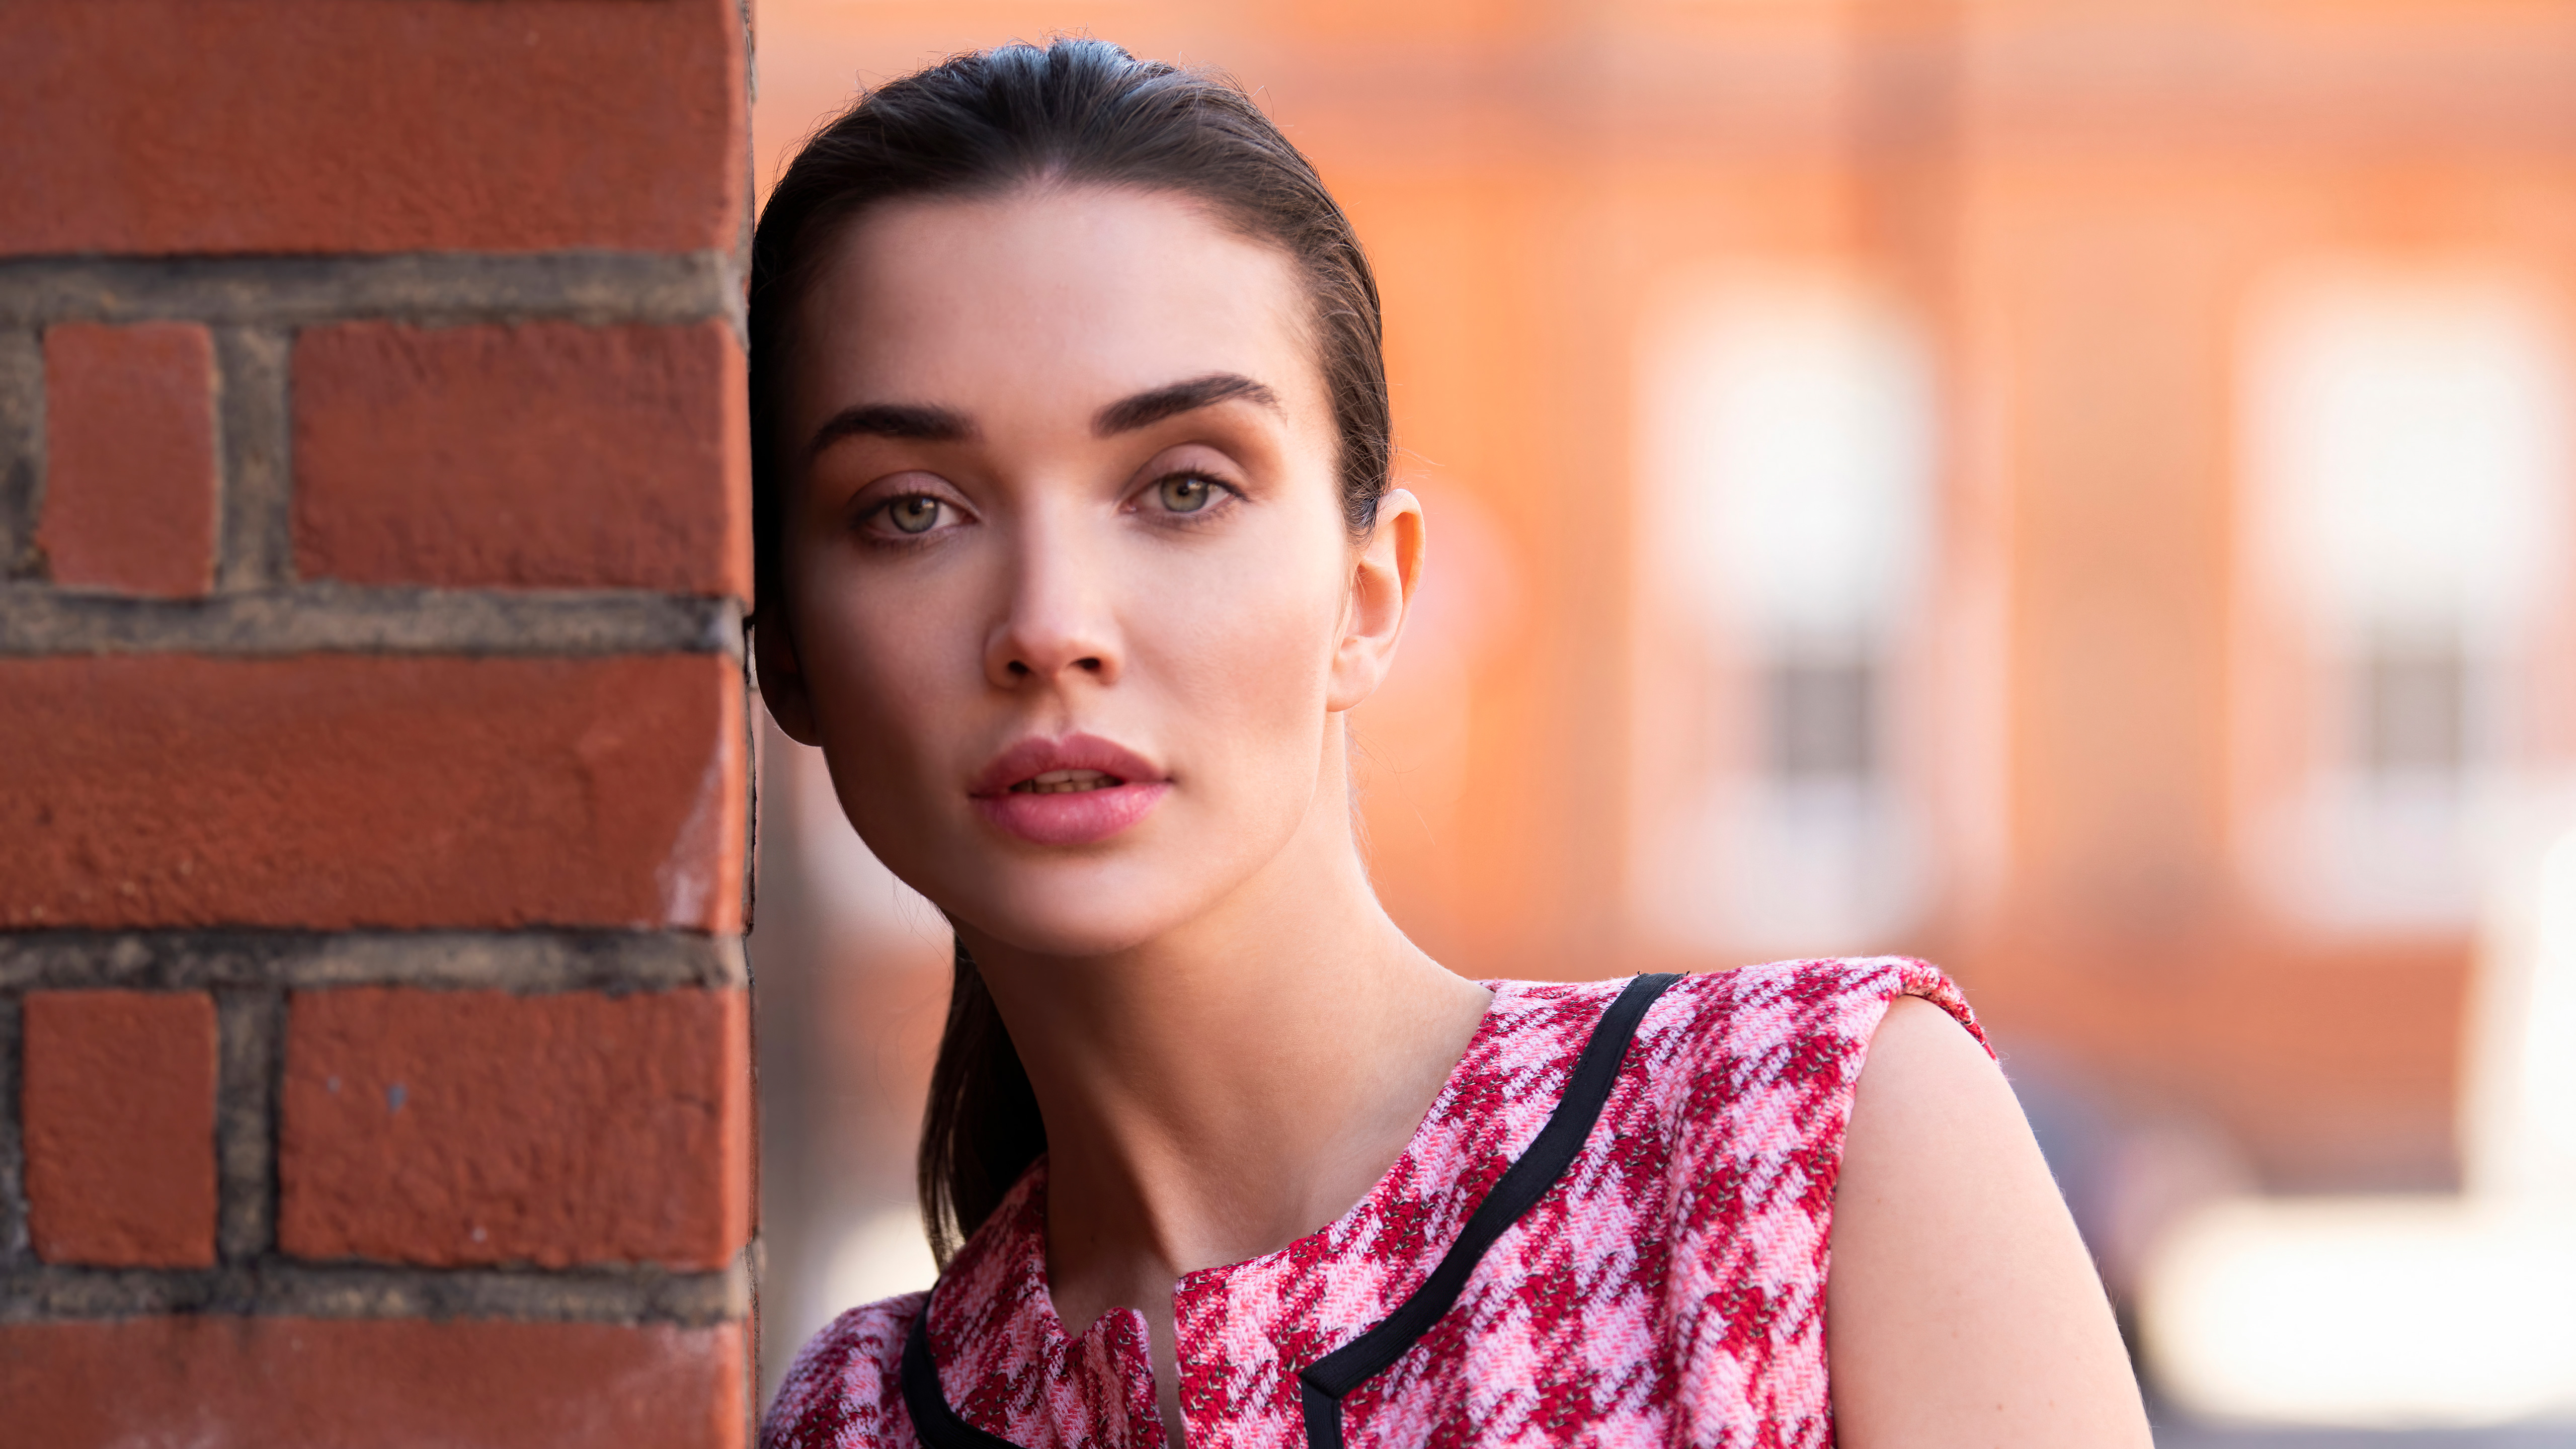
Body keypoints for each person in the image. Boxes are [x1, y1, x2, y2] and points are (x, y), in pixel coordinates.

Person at [750, 38, 2149, 1449]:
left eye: (1183, 487)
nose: (1050, 626)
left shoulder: (1807, 1143)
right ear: (788, 652)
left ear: (1370, 597)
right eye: (913, 509)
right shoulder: (860, 1421)